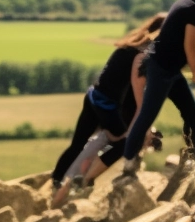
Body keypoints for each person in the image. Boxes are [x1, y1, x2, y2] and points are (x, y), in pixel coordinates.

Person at [120, 0, 195, 174]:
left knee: (193, 113)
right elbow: (189, 45)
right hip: (162, 69)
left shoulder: (189, 2)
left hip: (169, 70)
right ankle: (129, 161)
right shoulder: (193, 7)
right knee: (147, 115)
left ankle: (191, 158)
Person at [50, 17, 160, 206]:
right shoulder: (141, 57)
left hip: (93, 97)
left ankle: (56, 181)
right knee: (125, 141)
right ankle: (86, 179)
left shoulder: (127, 46)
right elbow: (134, 96)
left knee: (77, 144)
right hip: (107, 106)